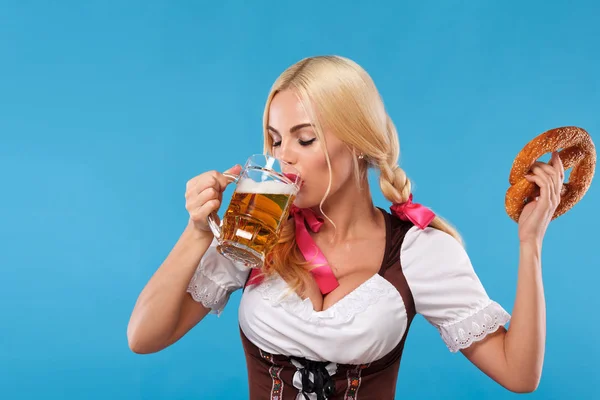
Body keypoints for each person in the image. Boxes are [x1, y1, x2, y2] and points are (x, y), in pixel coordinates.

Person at [127, 55, 562, 399]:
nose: (283, 158)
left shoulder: (419, 252)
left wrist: (531, 244)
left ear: (356, 142)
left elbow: (518, 374)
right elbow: (144, 337)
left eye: (305, 138)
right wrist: (199, 232)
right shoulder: (255, 229)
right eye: (276, 140)